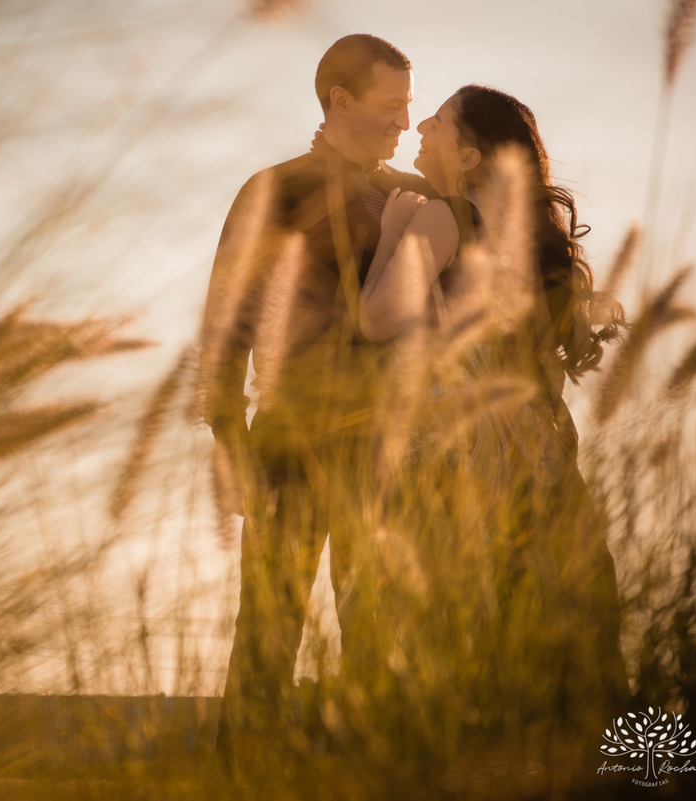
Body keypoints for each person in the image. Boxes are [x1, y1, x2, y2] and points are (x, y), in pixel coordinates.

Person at [351, 85, 629, 747]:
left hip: (457, 461)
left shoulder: (447, 218)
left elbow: (380, 317)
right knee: (546, 626)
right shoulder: (539, 247)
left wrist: (391, 232)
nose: (420, 123)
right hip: (544, 464)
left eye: (438, 120)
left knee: (453, 631)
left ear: (471, 155)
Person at [197, 34, 432, 768]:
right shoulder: (272, 189)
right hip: (288, 441)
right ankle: (242, 776)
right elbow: (223, 322)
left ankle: (367, 774)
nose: (402, 124)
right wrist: (231, 439)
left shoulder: (416, 199)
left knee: (375, 628)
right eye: (392, 107)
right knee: (267, 630)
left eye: (409, 109)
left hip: (388, 445)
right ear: (340, 100)